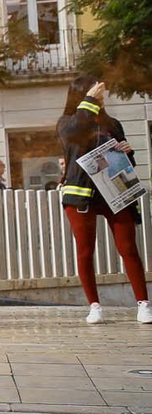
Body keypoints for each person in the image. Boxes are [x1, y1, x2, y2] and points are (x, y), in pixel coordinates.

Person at [57, 75, 149, 325]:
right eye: (94, 91)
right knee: (85, 251)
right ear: (81, 95)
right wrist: (89, 101)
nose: (101, 95)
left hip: (115, 192)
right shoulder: (67, 123)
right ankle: (94, 306)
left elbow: (127, 164)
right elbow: (75, 135)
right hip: (81, 195)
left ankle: (143, 304)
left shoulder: (113, 124)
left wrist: (128, 152)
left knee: (129, 248)